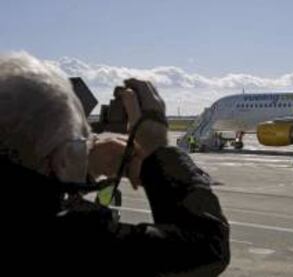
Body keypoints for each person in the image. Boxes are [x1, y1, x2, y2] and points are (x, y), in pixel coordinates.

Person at [0, 52, 230, 276]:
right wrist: (158, 149)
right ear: (60, 161)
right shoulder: (71, 239)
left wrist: (86, 166)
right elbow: (206, 249)